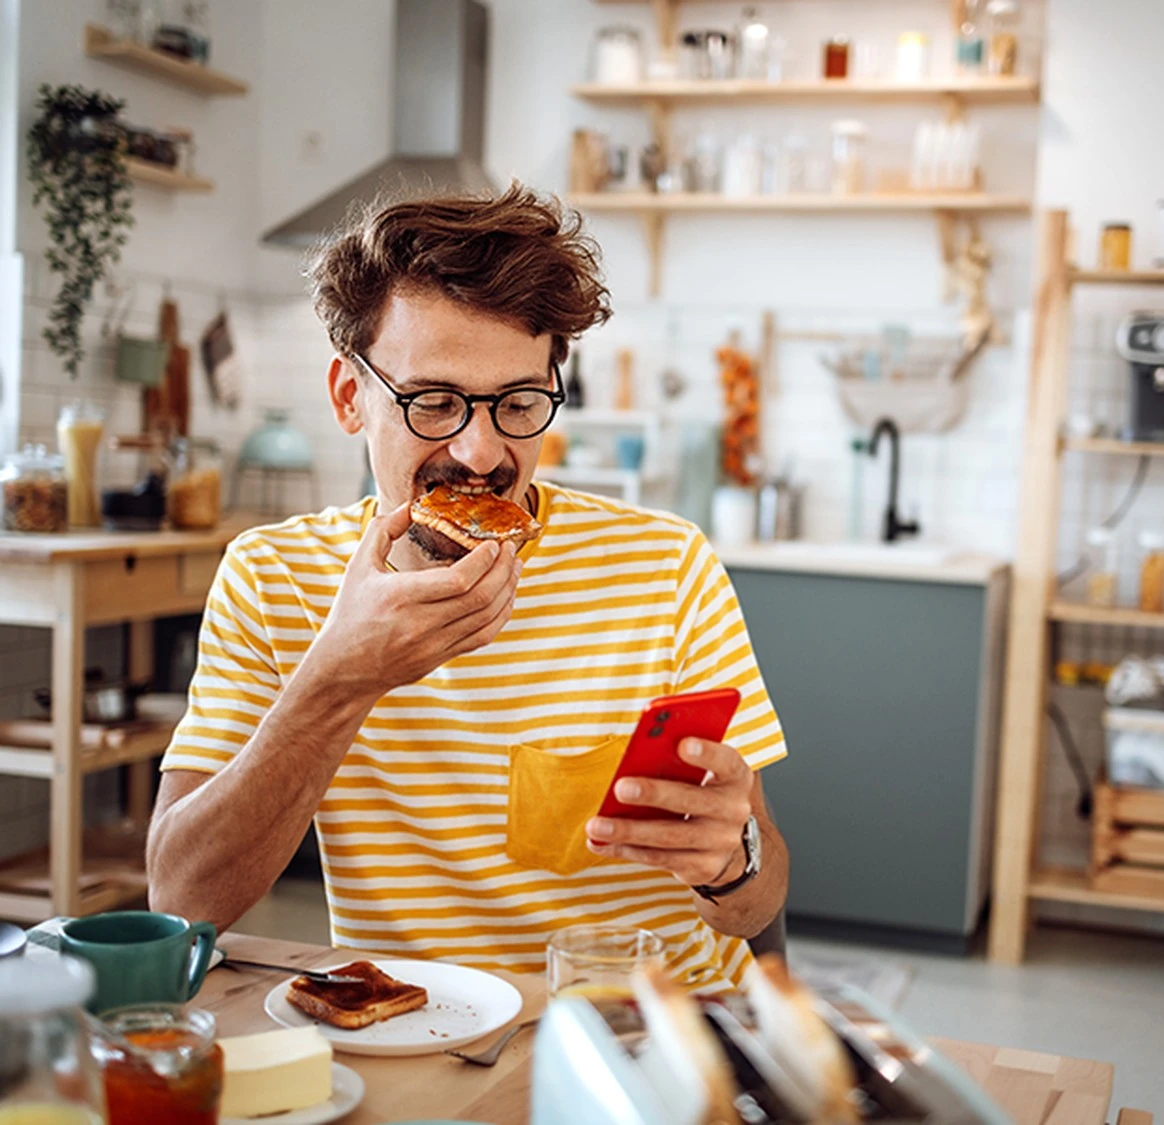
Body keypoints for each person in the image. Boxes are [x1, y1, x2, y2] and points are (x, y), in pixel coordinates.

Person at [148, 185, 789, 990]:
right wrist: (342, 676)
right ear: (351, 398)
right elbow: (180, 901)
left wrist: (733, 862)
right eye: (434, 402)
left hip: (645, 1032)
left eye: (518, 402)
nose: (482, 453)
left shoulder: (666, 569)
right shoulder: (273, 579)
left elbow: (760, 901)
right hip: (413, 1035)